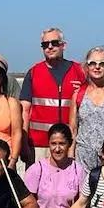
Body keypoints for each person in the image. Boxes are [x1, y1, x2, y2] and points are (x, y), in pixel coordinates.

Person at [20, 27, 86, 163]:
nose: (49, 47)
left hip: (70, 143)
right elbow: (24, 111)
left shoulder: (79, 71)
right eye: (45, 44)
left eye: (54, 43)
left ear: (64, 45)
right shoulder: (33, 73)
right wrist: (24, 143)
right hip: (39, 145)